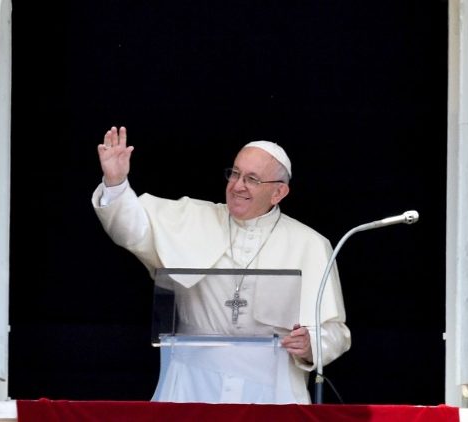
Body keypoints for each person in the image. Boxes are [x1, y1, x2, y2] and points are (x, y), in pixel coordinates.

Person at [91, 126, 351, 404]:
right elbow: (132, 230)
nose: (238, 185)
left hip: (272, 390)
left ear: (278, 192)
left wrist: (311, 345)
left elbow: (335, 333)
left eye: (252, 179)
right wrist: (116, 182)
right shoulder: (193, 216)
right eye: (235, 173)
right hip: (191, 383)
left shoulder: (310, 244)